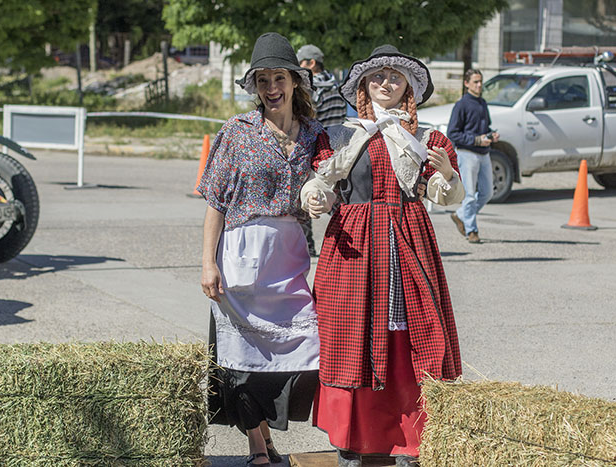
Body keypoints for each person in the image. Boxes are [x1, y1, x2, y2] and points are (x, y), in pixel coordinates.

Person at [301, 44, 465, 467]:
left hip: (406, 239)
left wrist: (446, 172)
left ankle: (410, 440)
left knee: (407, 338)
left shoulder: (427, 139)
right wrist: (315, 198)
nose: (386, 84)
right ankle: (351, 442)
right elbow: (321, 183)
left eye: (394, 77)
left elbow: (444, 195)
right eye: (377, 77)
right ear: (363, 86)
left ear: (408, 85)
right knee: (350, 336)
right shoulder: (339, 134)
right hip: (353, 247)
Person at [197, 32, 322, 467]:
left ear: (295, 83)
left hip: (289, 256)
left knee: (304, 346)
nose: (271, 88)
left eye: (279, 78)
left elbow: (336, 184)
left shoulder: (314, 136)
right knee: (242, 357)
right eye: (262, 80)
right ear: (254, 86)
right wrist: (207, 263)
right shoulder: (236, 131)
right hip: (241, 253)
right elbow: (214, 198)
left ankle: (266, 435)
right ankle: (256, 442)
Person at [294, 44, 347, 257]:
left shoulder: (314, 87)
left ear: (311, 64)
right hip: (339, 146)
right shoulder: (336, 83)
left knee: (306, 197)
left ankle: (306, 245)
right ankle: (344, 240)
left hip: (317, 147)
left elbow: (308, 116)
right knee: (336, 201)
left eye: (301, 63)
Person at [447, 68, 500, 244]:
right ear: (466, 83)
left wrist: (491, 135)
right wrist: (476, 140)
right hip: (467, 154)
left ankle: (460, 215)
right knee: (469, 195)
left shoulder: (483, 103)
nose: (479, 85)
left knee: (486, 193)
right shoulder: (461, 105)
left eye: (480, 81)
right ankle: (472, 231)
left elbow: (486, 128)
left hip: (484, 154)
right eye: (475, 82)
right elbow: (453, 134)